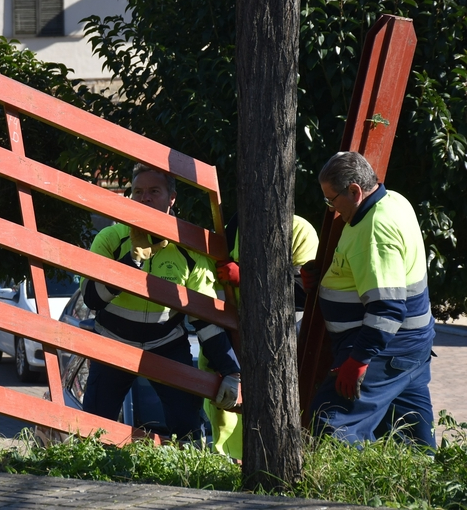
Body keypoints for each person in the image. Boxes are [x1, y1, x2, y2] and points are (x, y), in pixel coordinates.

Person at [80, 163, 241, 441]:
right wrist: (132, 260)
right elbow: (92, 299)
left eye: (154, 191)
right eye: (138, 191)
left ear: (172, 198)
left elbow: (204, 318)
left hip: (166, 345)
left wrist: (231, 370)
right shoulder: (110, 238)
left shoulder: (190, 250)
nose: (145, 198)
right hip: (112, 342)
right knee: (94, 428)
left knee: (189, 428)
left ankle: (189, 480)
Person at [305, 151, 434, 448]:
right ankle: (424, 488)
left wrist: (358, 361)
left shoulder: (375, 230)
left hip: (386, 346)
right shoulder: (393, 201)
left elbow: (387, 309)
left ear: (354, 191)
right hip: (409, 346)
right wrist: (322, 274)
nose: (331, 209)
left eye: (332, 199)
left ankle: (336, 495)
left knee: (332, 423)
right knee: (409, 438)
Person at [210, 212, 319, 459]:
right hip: (233, 337)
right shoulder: (228, 233)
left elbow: (304, 291)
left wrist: (246, 278)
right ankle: (227, 462)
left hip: (285, 340)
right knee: (226, 409)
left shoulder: (300, 230)